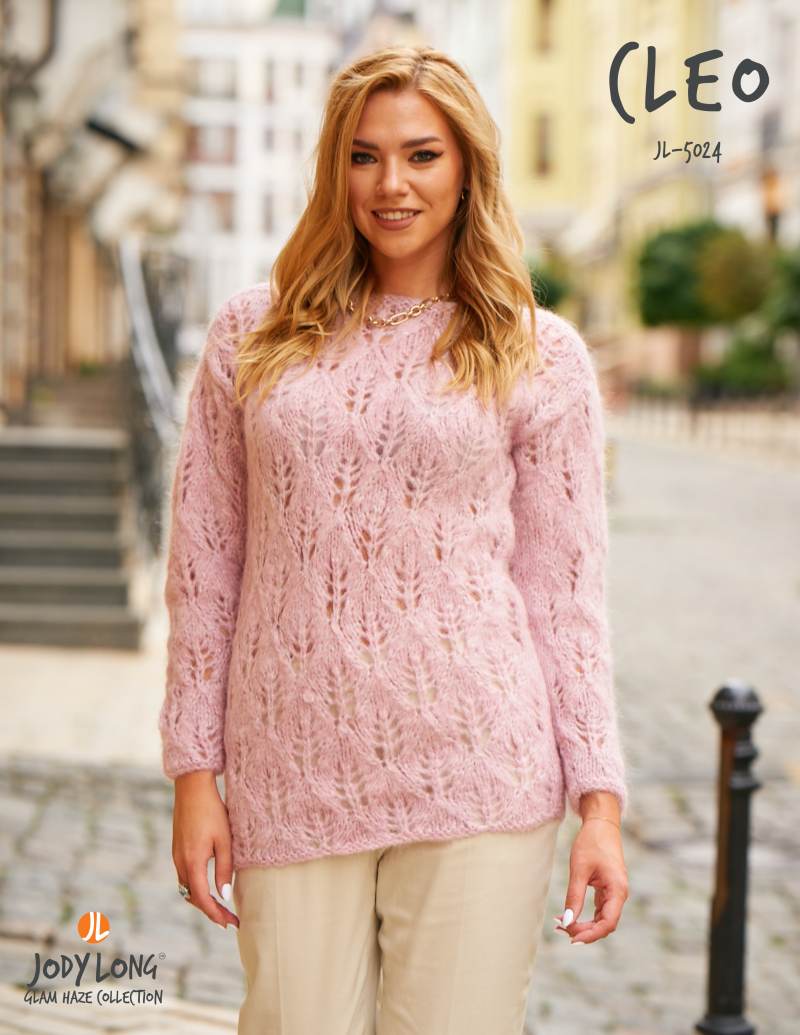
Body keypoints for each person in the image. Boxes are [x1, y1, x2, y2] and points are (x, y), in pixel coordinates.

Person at [158, 44, 630, 1035]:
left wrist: (599, 803)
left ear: (466, 168)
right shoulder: (251, 336)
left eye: (421, 154)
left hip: (480, 766)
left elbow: (565, 595)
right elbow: (205, 569)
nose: (391, 184)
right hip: (288, 763)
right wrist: (194, 775)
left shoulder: (537, 353)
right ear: (335, 168)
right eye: (364, 156)